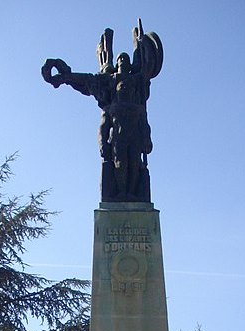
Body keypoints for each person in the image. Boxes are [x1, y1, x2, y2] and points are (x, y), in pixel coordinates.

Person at [41, 20, 162, 202]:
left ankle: (131, 193)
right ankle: (122, 192)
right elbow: (90, 84)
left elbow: (144, 124)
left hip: (134, 137)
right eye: (120, 59)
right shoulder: (111, 104)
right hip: (118, 138)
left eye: (126, 59)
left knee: (135, 164)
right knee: (120, 164)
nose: (123, 61)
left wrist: (147, 139)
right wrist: (66, 77)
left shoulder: (137, 102)